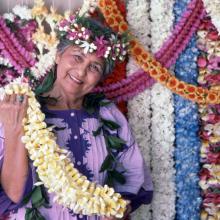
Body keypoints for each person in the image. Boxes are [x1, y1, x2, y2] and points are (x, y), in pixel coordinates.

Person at [0, 15, 153, 220]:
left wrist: (118, 209)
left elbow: (130, 179)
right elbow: (13, 194)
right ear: (58, 55)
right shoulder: (20, 108)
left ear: (101, 77)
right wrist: (14, 129)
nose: (81, 72)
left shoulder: (108, 115)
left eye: (94, 67)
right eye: (77, 56)